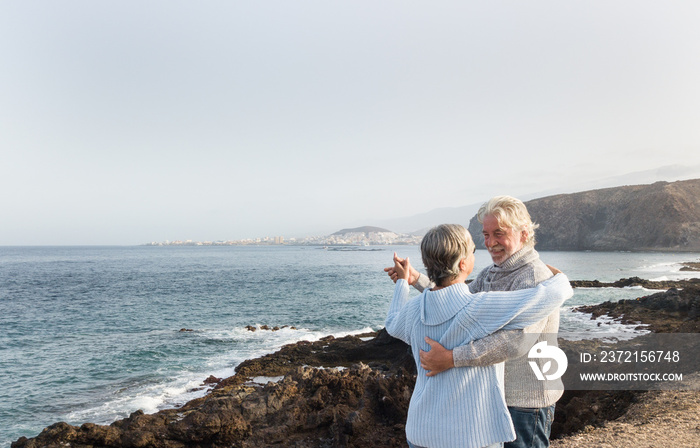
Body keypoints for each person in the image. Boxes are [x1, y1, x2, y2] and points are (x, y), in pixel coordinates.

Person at [387, 196, 562, 448]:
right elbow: (458, 300)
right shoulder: (492, 272)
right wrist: (416, 279)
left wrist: (451, 358)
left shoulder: (535, 277)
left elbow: (517, 340)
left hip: (525, 400)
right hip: (496, 397)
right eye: (486, 235)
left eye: (498, 233)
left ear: (524, 234)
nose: (490, 243)